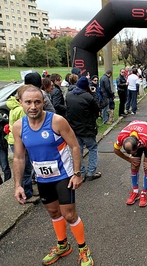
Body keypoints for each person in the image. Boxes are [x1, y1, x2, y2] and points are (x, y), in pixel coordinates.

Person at [12, 85, 94, 266]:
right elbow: (18, 157)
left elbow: (74, 145)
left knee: (69, 215)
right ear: (21, 103)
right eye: (28, 102)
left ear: (43, 102)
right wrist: (18, 185)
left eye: (37, 102)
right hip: (42, 178)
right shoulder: (18, 127)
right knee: (53, 212)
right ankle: (63, 245)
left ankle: (83, 249)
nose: (33, 106)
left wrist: (77, 173)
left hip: (63, 176)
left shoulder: (57, 121)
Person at [113, 120, 147, 206]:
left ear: (138, 146)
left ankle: (144, 192)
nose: (131, 155)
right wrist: (129, 159)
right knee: (134, 165)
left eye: (133, 152)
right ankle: (135, 191)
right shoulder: (122, 136)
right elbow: (116, 150)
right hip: (135, 134)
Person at [66, 77, 102, 182]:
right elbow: (97, 108)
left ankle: (81, 172)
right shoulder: (88, 97)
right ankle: (91, 172)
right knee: (93, 148)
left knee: (78, 150)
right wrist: (94, 94)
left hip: (74, 128)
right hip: (87, 128)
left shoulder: (68, 95)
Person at [0, 115, 11, 185]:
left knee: (5, 167)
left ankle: (7, 183)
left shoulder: (2, 121)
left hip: (1, 146)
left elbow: (9, 123)